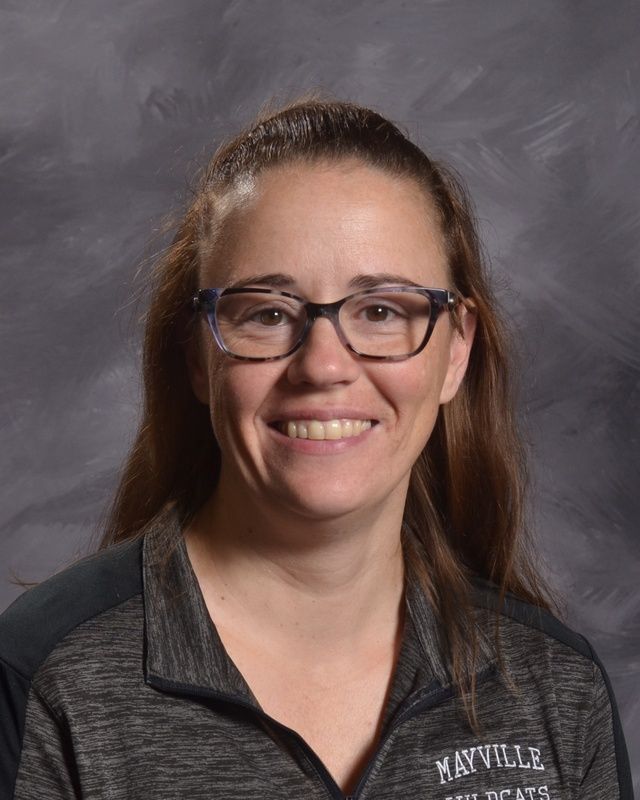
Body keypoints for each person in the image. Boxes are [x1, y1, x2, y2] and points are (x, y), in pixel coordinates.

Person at [0, 95, 633, 800]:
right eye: (268, 313)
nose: (323, 366)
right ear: (196, 357)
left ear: (457, 351)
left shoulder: (555, 688)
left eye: (383, 310)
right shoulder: (51, 676)